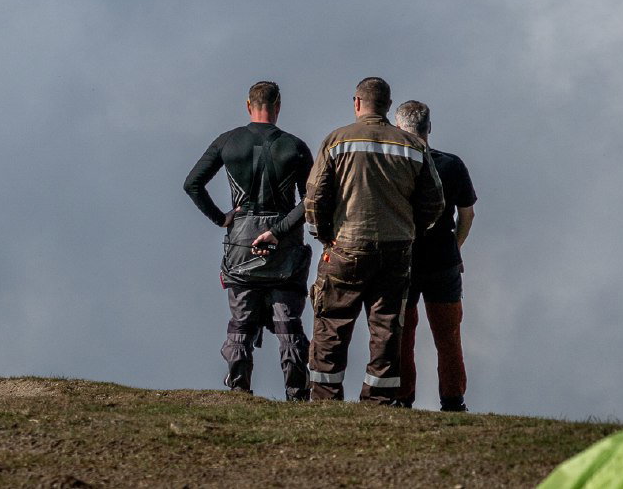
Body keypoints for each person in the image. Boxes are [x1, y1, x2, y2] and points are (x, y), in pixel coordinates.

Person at [255, 77, 444, 404]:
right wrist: (409, 230)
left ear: (357, 102)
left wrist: (325, 234)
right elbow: (435, 203)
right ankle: (379, 402)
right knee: (386, 328)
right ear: (387, 105)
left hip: (345, 247)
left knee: (332, 324)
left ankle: (326, 398)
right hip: (396, 250)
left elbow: (314, 198)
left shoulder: (336, 141)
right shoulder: (413, 147)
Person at [183, 81, 314, 400]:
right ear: (278, 105)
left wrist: (222, 218)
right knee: (287, 321)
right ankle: (296, 393)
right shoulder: (295, 146)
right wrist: (280, 230)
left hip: (240, 243)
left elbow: (192, 184)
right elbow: (311, 200)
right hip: (283, 246)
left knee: (241, 319)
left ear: (247, 105)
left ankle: (239, 385)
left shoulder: (228, 141)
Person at [392, 100, 477, 412]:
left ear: (399, 129)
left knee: (402, 333)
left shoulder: (394, 166)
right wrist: (456, 246)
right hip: (443, 260)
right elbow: (467, 215)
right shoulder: (451, 164)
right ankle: (453, 400)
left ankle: (402, 398)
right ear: (429, 128)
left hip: (403, 259)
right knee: (448, 334)